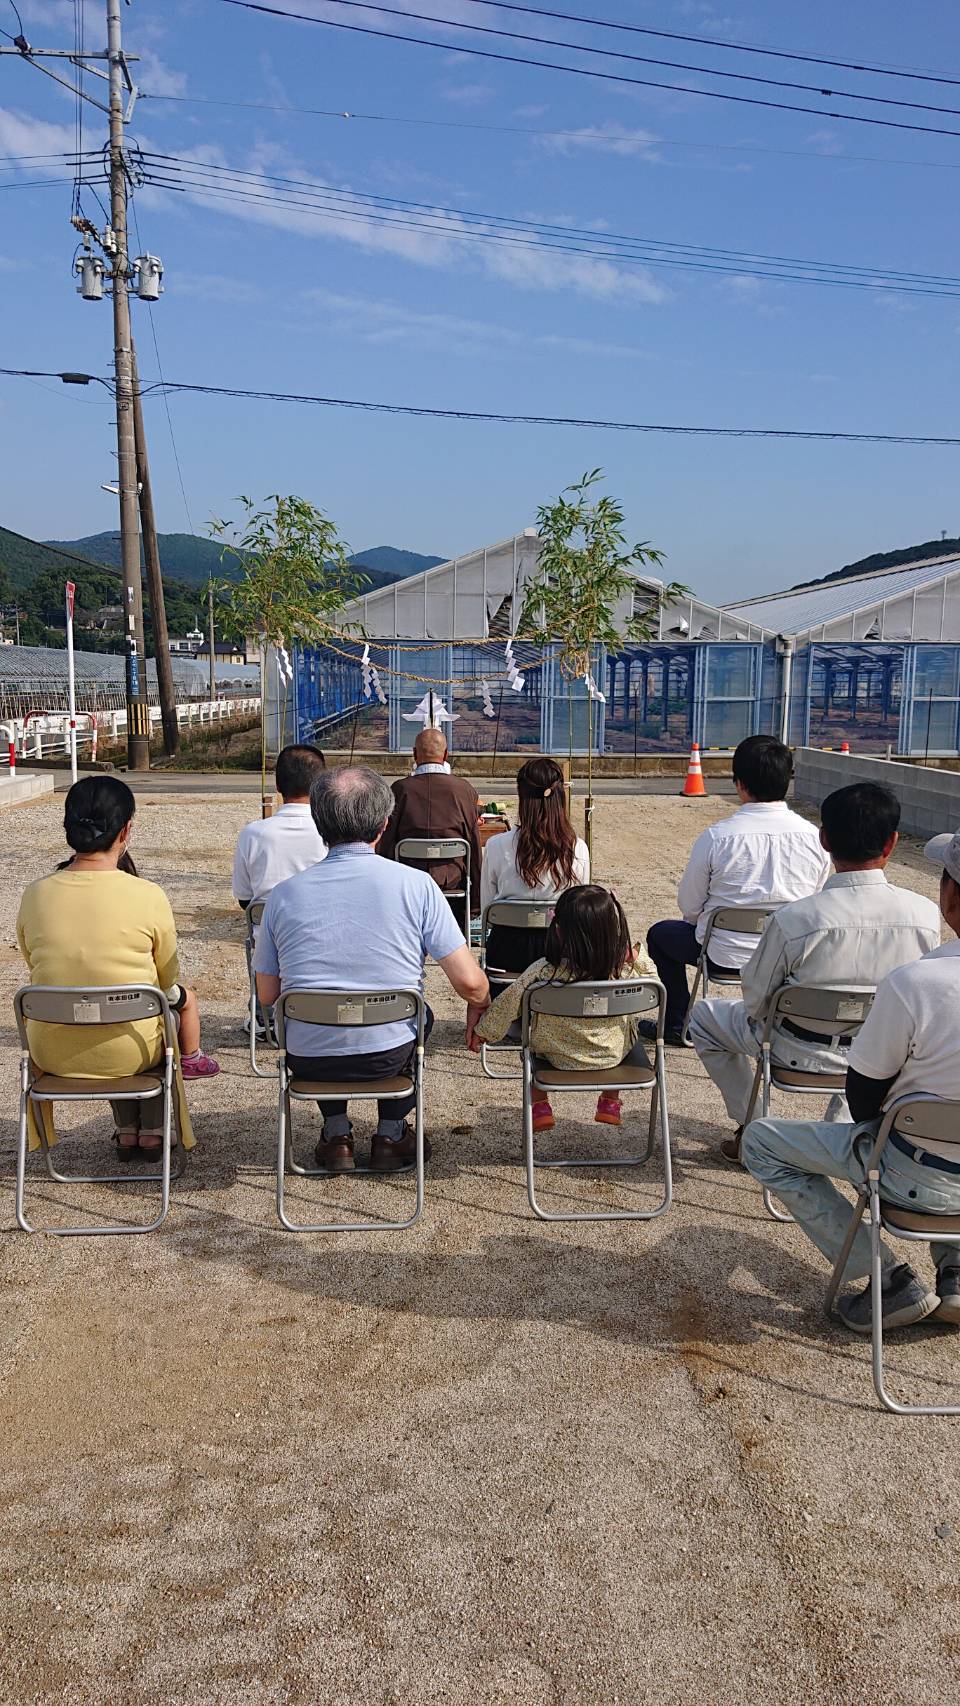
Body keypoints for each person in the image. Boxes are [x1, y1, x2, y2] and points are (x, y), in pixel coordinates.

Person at [742, 827, 960, 1334]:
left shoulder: (917, 984)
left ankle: (887, 1278)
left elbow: (862, 1094)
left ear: (949, 893)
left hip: (913, 1175)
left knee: (763, 1142)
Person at [255, 765, 490, 1173]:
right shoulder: (417, 886)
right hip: (387, 1049)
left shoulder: (283, 896)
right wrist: (481, 1003)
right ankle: (391, 1132)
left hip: (311, 1054)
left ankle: (336, 1133)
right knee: (418, 1015)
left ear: (318, 821)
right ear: (384, 824)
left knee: (319, 1014)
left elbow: (266, 995)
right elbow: (470, 982)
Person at [689, 782, 941, 1162]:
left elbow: (756, 999)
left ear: (824, 840)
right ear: (891, 843)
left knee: (703, 1018)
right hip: (876, 1055)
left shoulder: (797, 918)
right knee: (872, 1024)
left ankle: (755, 1128)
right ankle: (842, 1134)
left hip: (796, 1050)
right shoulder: (923, 916)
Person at [16, 777, 217, 1161]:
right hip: (129, 1051)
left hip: (53, 1050)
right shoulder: (147, 895)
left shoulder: (35, 894)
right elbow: (166, 977)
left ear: (68, 828)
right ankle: (154, 1132)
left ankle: (127, 1131)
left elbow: (34, 963)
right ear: (126, 830)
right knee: (156, 1014)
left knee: (98, 1002)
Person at [645, 735, 831, 1045]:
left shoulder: (718, 837)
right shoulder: (815, 839)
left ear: (739, 783)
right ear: (788, 779)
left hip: (722, 955)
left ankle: (678, 1022)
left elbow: (689, 906)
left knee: (660, 935)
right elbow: (815, 901)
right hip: (787, 959)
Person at [471, 884, 658, 1133]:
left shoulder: (544, 971)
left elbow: (509, 1004)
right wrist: (634, 956)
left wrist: (484, 1031)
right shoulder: (624, 972)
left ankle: (539, 1106)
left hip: (554, 1054)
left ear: (557, 930)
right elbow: (655, 985)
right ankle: (610, 1102)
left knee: (532, 1044)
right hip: (611, 1055)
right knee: (625, 1029)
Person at [480, 756, 590, 976]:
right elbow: (579, 910)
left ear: (522, 796)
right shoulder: (578, 849)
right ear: (561, 797)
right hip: (559, 952)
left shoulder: (496, 846)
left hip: (506, 952)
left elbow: (487, 912)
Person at [377, 728, 482, 929]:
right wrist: (475, 903)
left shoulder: (400, 789)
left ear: (415, 755)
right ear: (445, 755)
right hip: (451, 879)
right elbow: (474, 846)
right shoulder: (463, 790)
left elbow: (386, 842)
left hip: (407, 879)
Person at [232, 743, 328, 907]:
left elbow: (244, 899)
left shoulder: (252, 834)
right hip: (320, 928)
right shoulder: (332, 832)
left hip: (266, 930)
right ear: (321, 786)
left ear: (278, 786)